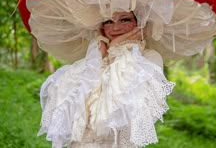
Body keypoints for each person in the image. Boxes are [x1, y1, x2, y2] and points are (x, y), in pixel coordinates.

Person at [38, 11, 175, 148]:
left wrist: (115, 49)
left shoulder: (149, 58)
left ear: (138, 23)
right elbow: (72, 111)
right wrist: (99, 59)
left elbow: (128, 109)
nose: (115, 28)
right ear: (101, 27)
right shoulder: (93, 58)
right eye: (108, 21)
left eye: (125, 20)